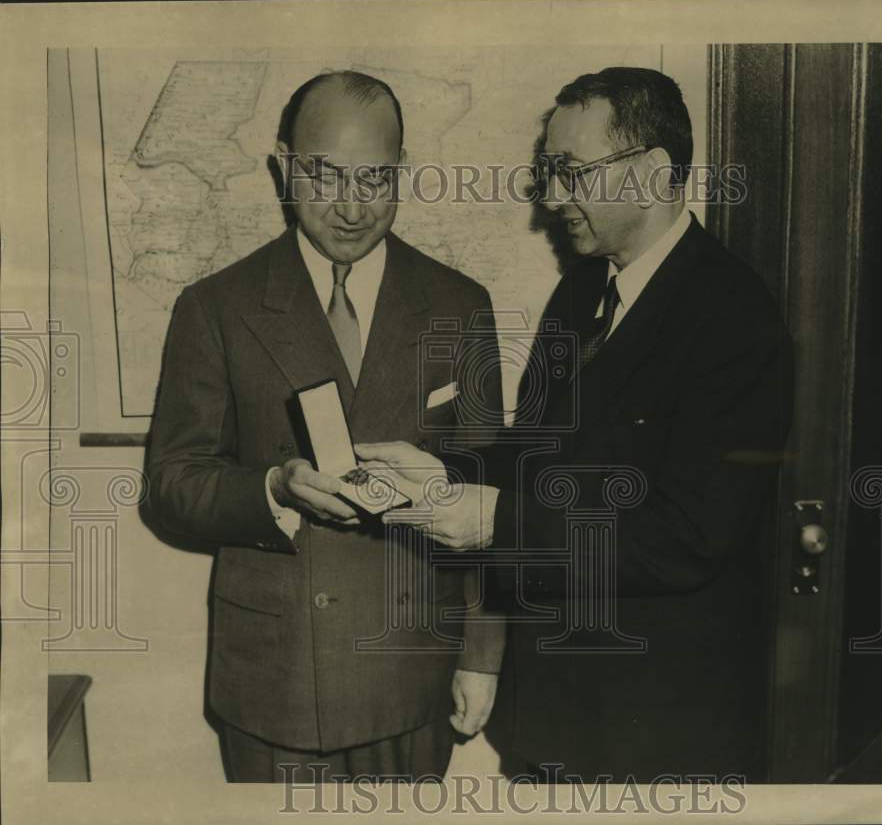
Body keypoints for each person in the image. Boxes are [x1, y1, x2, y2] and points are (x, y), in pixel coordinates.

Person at [357, 67, 794, 783]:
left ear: (651, 173)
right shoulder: (580, 290)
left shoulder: (734, 319)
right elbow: (532, 459)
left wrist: (499, 522)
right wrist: (446, 473)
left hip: (655, 737)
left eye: (571, 171)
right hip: (550, 720)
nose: (553, 197)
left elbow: (686, 538)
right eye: (548, 172)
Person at [143, 71, 504, 782]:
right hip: (277, 681)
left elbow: (490, 492)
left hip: (412, 669)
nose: (350, 205)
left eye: (374, 178)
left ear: (402, 174)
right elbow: (170, 485)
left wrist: (481, 653)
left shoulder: (461, 305)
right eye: (325, 174)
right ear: (283, 165)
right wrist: (273, 488)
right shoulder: (216, 307)